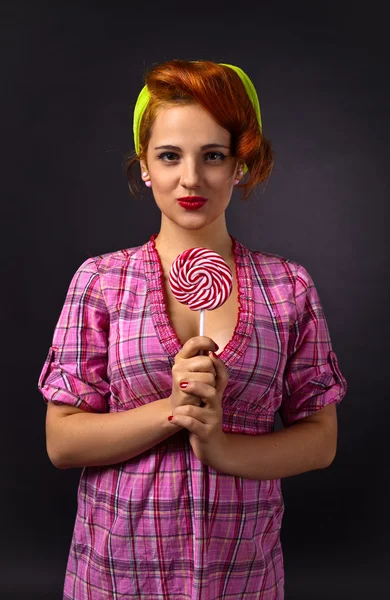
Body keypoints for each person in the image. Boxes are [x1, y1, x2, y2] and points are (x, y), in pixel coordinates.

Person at [38, 59, 348, 600]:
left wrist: (221, 446)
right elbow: (62, 442)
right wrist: (174, 408)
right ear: (144, 167)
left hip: (242, 578)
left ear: (239, 165)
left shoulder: (288, 287)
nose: (190, 178)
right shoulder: (101, 281)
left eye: (213, 156)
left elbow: (320, 441)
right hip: (116, 576)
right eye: (169, 156)